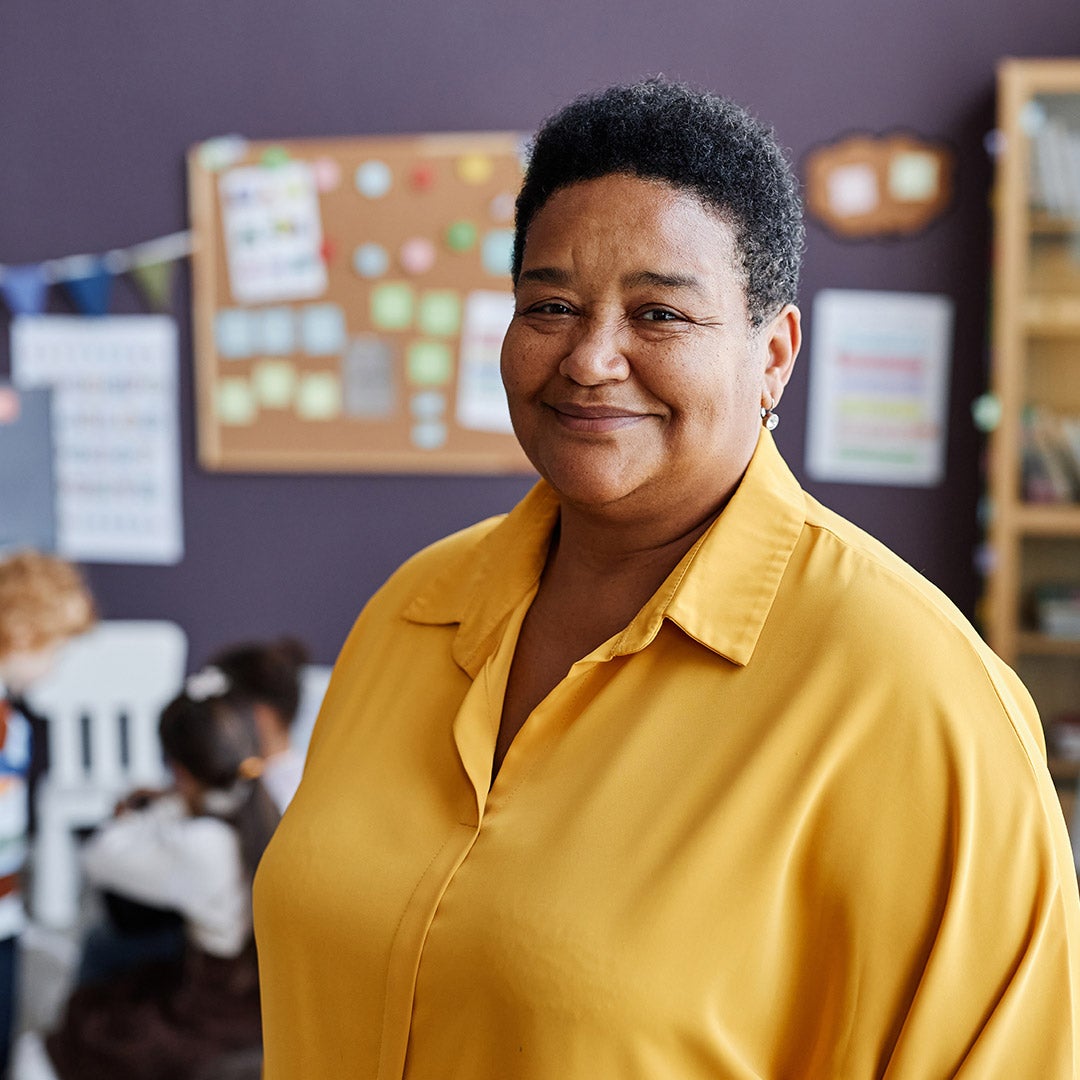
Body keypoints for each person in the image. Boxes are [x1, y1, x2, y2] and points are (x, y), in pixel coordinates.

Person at [253, 77, 1080, 1078]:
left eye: (660, 314)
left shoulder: (916, 696)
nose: (592, 358)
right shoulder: (413, 613)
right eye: (550, 304)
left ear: (772, 354)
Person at [24, 668, 279, 1080]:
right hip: (262, 1002)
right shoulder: (267, 809)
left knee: (90, 1017)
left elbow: (100, 857)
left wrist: (149, 809)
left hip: (218, 1014)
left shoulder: (203, 844)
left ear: (180, 771)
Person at [74, 636, 310, 989]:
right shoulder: (280, 786)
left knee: (106, 941)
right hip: (256, 961)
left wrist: (169, 803)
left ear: (257, 715)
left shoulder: (214, 833)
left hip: (229, 975)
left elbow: (101, 856)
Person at [0, 550, 95, 1074]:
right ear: (20, 633)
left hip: (7, 909)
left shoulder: (14, 716)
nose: (55, 665)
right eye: (52, 649)